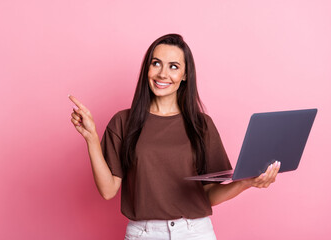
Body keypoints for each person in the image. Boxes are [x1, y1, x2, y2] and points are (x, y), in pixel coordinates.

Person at [68, 33, 280, 240]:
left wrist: (247, 182)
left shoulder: (201, 125)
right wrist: (92, 138)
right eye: (156, 63)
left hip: (195, 232)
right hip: (143, 234)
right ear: (147, 69)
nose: (162, 74)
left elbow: (209, 194)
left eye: (173, 66)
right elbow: (108, 190)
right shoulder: (123, 122)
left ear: (185, 75)